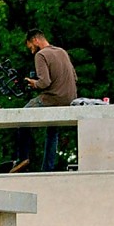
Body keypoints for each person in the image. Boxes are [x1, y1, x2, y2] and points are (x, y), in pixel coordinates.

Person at [13, 28, 77, 172]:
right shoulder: (62, 52)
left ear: (35, 40)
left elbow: (45, 82)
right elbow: (74, 76)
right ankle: (48, 168)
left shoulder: (41, 55)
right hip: (70, 98)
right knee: (52, 130)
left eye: (30, 45)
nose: (31, 50)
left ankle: (22, 159)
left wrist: (32, 82)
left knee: (22, 115)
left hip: (52, 98)